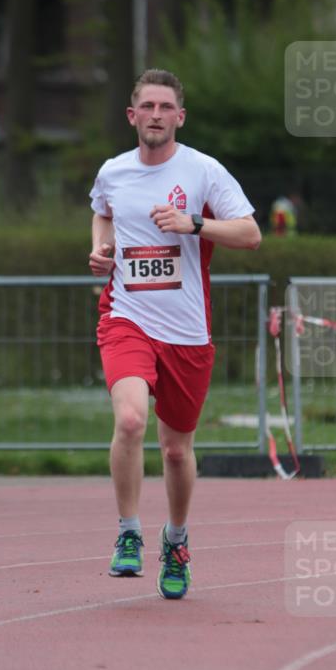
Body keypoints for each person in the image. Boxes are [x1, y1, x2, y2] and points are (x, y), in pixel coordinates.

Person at [88, 69, 261, 600]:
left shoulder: (205, 172)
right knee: (132, 418)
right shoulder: (113, 172)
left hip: (187, 330)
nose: (157, 115)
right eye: (148, 106)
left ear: (179, 117)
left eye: (167, 107)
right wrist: (101, 248)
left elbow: (251, 234)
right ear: (132, 115)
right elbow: (102, 213)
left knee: (177, 452)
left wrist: (195, 224)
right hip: (127, 318)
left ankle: (177, 541)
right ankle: (128, 533)